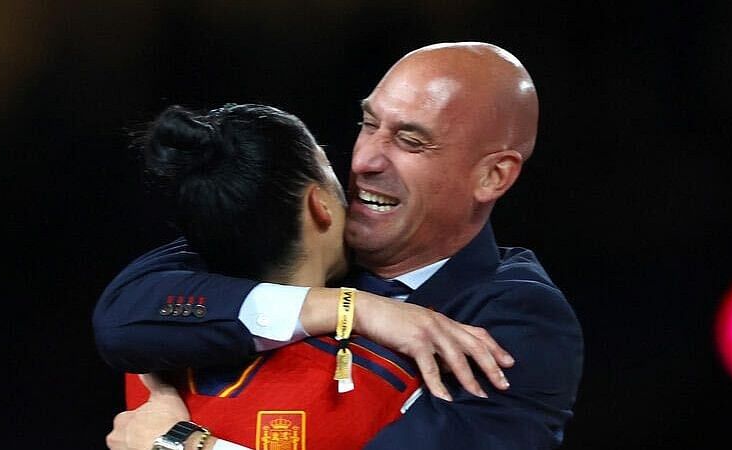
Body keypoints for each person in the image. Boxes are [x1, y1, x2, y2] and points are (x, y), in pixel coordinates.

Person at [96, 42, 583, 449]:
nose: (366, 159)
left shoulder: (518, 322)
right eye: (369, 124)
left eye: (410, 141)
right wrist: (352, 308)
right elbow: (122, 315)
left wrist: (181, 444)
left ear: (492, 175)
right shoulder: (308, 233)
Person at [114, 102, 504, 450]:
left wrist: (175, 444)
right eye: (329, 169)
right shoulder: (392, 381)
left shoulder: (149, 363)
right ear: (319, 204)